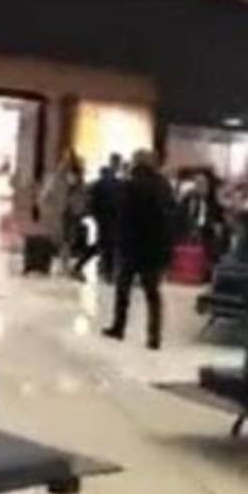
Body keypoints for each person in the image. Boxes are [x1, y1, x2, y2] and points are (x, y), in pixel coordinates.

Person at [102, 150, 176, 351]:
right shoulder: (163, 186)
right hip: (155, 248)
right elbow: (170, 216)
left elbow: (121, 212)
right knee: (153, 294)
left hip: (132, 246)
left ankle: (119, 327)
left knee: (123, 289)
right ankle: (154, 337)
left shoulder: (130, 185)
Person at [73, 154, 123, 280]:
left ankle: (106, 272)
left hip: (104, 217)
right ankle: (106, 273)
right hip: (109, 218)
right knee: (105, 244)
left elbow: (92, 198)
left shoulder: (103, 182)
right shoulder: (112, 183)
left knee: (104, 244)